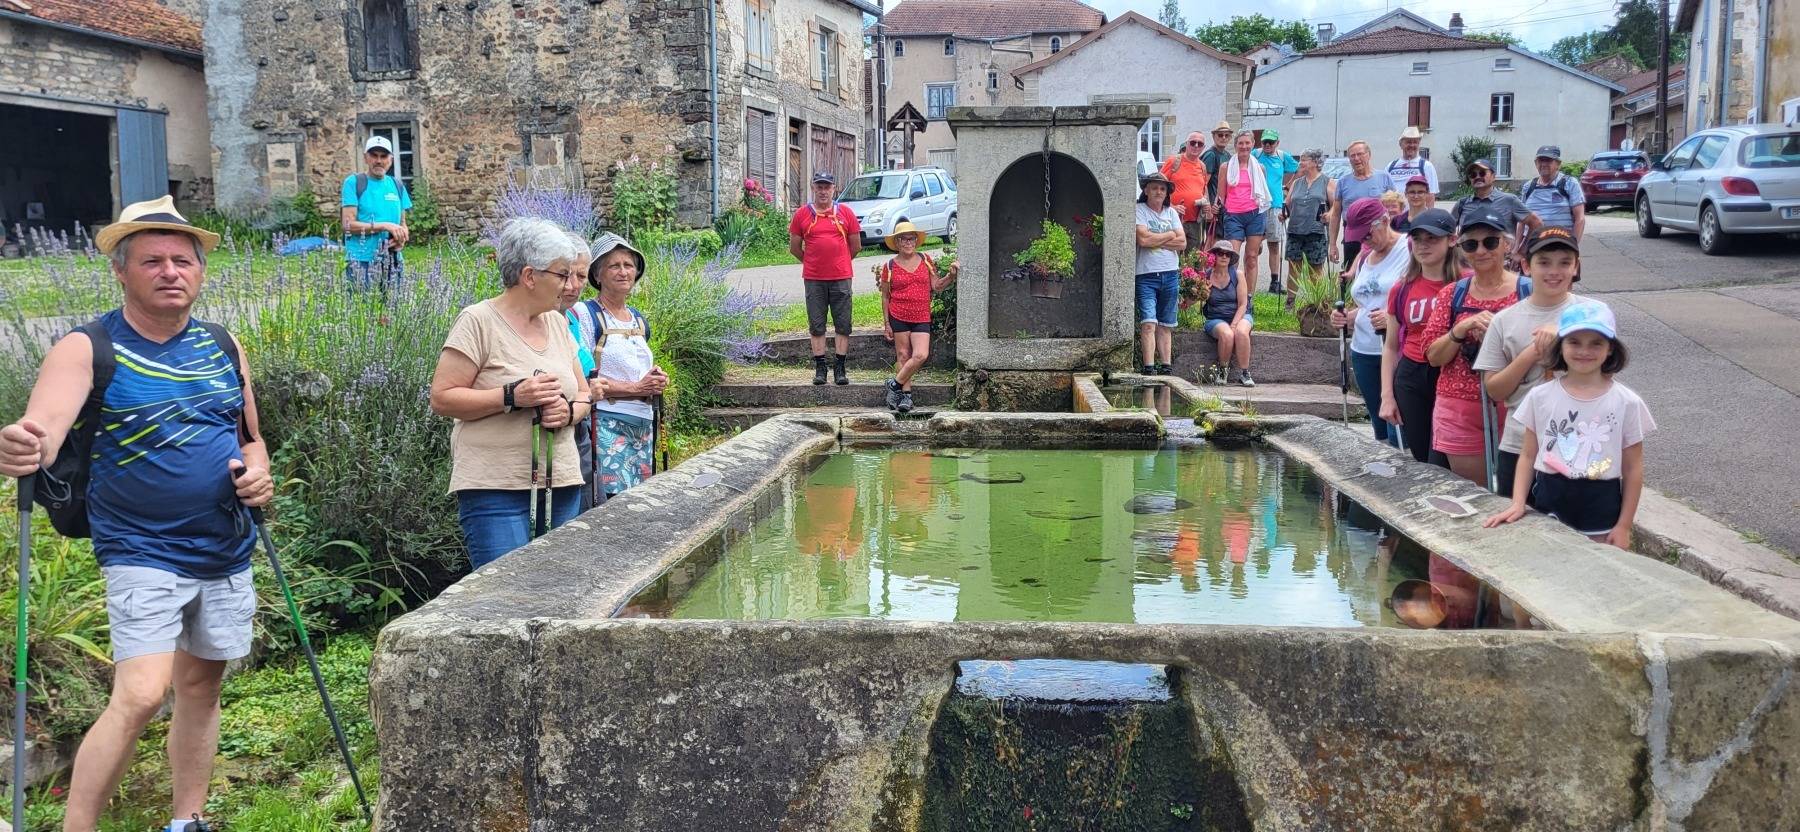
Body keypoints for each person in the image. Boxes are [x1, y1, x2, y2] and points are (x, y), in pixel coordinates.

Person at [0, 197, 271, 832]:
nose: (170, 271)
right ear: (121, 272)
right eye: (152, 261)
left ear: (201, 272)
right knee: (144, 693)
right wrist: (19, 443)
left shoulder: (224, 345)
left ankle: (187, 820)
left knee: (201, 689)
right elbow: (40, 431)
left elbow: (250, 436)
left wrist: (258, 471)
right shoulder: (87, 346)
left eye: (183, 260)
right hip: (140, 548)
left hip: (225, 545)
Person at [430, 218, 598, 568]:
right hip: (497, 489)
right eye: (562, 274)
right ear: (529, 276)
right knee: (506, 604)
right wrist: (510, 397)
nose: (570, 285)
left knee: (559, 598)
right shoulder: (478, 321)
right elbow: (443, 398)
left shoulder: (556, 322)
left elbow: (584, 393)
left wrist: (569, 413)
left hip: (562, 482)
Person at [1484, 301, 1654, 550]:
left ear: (1610, 350)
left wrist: (1624, 526)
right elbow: (1528, 455)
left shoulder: (1627, 402)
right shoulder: (1540, 396)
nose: (1584, 351)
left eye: (1596, 343)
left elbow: (1632, 468)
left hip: (1600, 505)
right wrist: (1519, 502)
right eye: (1574, 342)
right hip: (1549, 497)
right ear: (1560, 347)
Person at [1421, 205, 1529, 485]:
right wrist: (1460, 329)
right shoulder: (1452, 294)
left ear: (1507, 244)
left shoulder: (1527, 291)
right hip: (1460, 406)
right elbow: (1432, 356)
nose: (1481, 251)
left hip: (1517, 403)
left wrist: (1498, 337)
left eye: (1490, 242)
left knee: (1515, 494)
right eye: (1472, 244)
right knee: (1475, 494)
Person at [1473, 226, 1582, 496]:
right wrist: (1532, 353)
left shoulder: (1591, 314)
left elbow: (1606, 374)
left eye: (1564, 263)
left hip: (1579, 440)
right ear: (1526, 265)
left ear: (1576, 267)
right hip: (1518, 442)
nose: (1554, 271)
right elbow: (1494, 389)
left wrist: (1566, 337)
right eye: (1544, 263)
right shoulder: (1504, 320)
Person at [573, 232, 667, 502]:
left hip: (642, 425)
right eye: (614, 265)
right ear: (597, 275)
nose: (624, 272)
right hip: (606, 425)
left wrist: (655, 380)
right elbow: (581, 375)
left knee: (639, 500)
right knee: (611, 503)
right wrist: (637, 387)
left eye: (628, 265)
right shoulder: (585, 314)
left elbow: (634, 370)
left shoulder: (637, 319)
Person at [1379, 208, 1464, 465]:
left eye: (1432, 239)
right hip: (1412, 375)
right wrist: (1387, 396)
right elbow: (1391, 346)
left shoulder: (1466, 283)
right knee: (1422, 458)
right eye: (1418, 239)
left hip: (1452, 373)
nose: (1424, 246)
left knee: (1444, 456)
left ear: (1452, 240)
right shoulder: (1403, 288)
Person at [1331, 198, 1411, 447]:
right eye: (1359, 236)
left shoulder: (1409, 249)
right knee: (1379, 429)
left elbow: (1421, 295)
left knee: (1397, 423)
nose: (1364, 240)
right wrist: (1348, 317)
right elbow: (1367, 303)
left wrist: (1393, 318)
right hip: (1363, 349)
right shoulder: (1366, 256)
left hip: (1394, 348)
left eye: (1368, 233)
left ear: (1385, 220)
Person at [788, 171, 862, 386]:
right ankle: (820, 368)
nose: (823, 191)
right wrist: (812, 262)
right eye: (819, 187)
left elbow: (855, 246)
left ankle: (840, 367)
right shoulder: (802, 214)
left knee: (843, 323)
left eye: (826, 187)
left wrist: (840, 262)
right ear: (813, 188)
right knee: (817, 324)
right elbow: (794, 248)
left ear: (833, 189)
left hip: (841, 277)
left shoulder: (845, 213)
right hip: (814, 278)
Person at [876, 221, 957, 413]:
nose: (908, 242)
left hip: (921, 315)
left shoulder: (925, 259)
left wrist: (951, 277)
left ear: (916, 241)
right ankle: (906, 397)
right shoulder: (890, 266)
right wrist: (886, 323)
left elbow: (936, 286)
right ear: (896, 242)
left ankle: (893, 385)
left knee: (921, 355)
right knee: (903, 355)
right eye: (903, 239)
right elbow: (885, 296)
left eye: (911, 238)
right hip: (899, 314)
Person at [339, 135, 411, 293]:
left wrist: (402, 237)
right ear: (366, 158)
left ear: (390, 159)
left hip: (393, 260)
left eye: (383, 156)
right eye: (374, 155)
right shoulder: (354, 183)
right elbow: (347, 225)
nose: (379, 160)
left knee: (394, 312)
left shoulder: (397, 185)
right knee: (361, 313)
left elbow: (403, 223)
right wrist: (384, 226)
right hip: (361, 261)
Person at [1134, 170, 1186, 376]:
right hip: (1146, 275)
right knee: (1148, 322)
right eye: (1154, 187)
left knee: (1166, 323)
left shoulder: (1171, 213)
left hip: (1170, 274)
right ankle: (1148, 368)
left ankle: (1166, 367)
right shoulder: (1139, 210)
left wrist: (1157, 237)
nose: (1158, 191)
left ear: (1167, 193)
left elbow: (1182, 243)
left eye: (1162, 188)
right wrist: (1170, 235)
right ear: (1146, 190)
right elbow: (1143, 241)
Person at [1452, 159, 1540, 269]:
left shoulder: (1509, 200)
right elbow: (1448, 231)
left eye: (1482, 173)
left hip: (1501, 265)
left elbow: (1536, 223)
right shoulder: (1462, 204)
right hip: (1470, 265)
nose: (1477, 177)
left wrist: (1521, 251)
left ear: (1493, 176)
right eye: (1473, 175)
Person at [1328, 140, 1394, 269]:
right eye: (1352, 156)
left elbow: (1395, 207)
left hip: (1379, 233)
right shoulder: (1343, 182)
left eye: (1360, 154)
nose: (1356, 159)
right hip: (1352, 234)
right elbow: (1335, 215)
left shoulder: (1384, 177)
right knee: (1351, 272)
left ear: (1369, 155)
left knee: (1379, 269)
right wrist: (1332, 244)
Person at [1197, 240, 1254, 387]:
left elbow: (1243, 304)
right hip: (1216, 317)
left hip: (1240, 314)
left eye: (1227, 254)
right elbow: (1191, 302)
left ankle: (1245, 373)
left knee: (1241, 332)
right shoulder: (1205, 276)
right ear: (1214, 256)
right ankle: (1223, 371)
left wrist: (1234, 324)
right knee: (1227, 334)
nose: (1224, 257)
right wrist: (1203, 291)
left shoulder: (1238, 274)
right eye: (1220, 253)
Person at [1219, 131, 1273, 285]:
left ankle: (1248, 298)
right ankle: (1233, 295)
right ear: (1235, 146)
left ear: (1252, 144)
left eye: (1247, 143)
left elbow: (1262, 193)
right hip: (1233, 215)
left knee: (1252, 257)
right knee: (1232, 258)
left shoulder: (1260, 168)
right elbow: (1221, 195)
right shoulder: (1226, 167)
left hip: (1255, 215)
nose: (1244, 146)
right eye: (1240, 143)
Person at [1254, 130, 1299, 295]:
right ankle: (1249, 278)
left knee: (1274, 244)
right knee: (1254, 243)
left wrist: (1289, 187)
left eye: (1271, 142)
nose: (1267, 145)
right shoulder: (1255, 154)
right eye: (1265, 142)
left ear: (1277, 143)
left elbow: (1298, 170)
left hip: (1275, 204)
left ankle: (1274, 281)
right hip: (1257, 203)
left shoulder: (1282, 156)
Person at [1282, 150, 1331, 294]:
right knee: (1293, 268)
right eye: (1300, 159)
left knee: (1315, 270)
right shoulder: (1296, 183)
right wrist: (1284, 214)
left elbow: (1336, 206)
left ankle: (1316, 304)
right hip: (1295, 230)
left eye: (1304, 160)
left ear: (1316, 162)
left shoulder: (1327, 182)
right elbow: (1289, 204)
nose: (1300, 163)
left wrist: (1330, 214)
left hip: (1316, 231)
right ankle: (1290, 303)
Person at [1160, 131, 1214, 254]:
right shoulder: (1174, 161)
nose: (1196, 146)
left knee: (1192, 260)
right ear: (1187, 144)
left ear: (1203, 148)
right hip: (1174, 220)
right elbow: (1157, 187)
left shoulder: (1202, 166)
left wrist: (1206, 207)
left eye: (1199, 144)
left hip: (1195, 222)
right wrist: (1171, 207)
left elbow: (1203, 191)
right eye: (1193, 142)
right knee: (1173, 257)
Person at [1519, 146, 1586, 243]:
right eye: (1541, 160)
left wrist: (1573, 245)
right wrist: (1517, 248)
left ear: (1558, 164)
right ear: (1536, 163)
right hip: (1532, 245)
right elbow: (1521, 220)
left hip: (1560, 243)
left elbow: (1580, 219)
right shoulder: (1528, 187)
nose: (1544, 164)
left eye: (1548, 160)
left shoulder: (1569, 183)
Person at [1200, 120, 1236, 242]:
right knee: (1212, 242)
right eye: (1220, 135)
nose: (1223, 138)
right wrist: (1208, 208)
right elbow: (1203, 183)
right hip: (1213, 208)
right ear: (1214, 136)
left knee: (1222, 242)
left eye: (1227, 135)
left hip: (1223, 207)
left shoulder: (1227, 155)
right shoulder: (1211, 155)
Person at [1386, 126, 1440, 195]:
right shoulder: (1390, 166)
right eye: (1408, 142)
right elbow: (1383, 191)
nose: (1412, 145)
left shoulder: (1426, 166)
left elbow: (1431, 194)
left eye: (1415, 142)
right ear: (1401, 145)